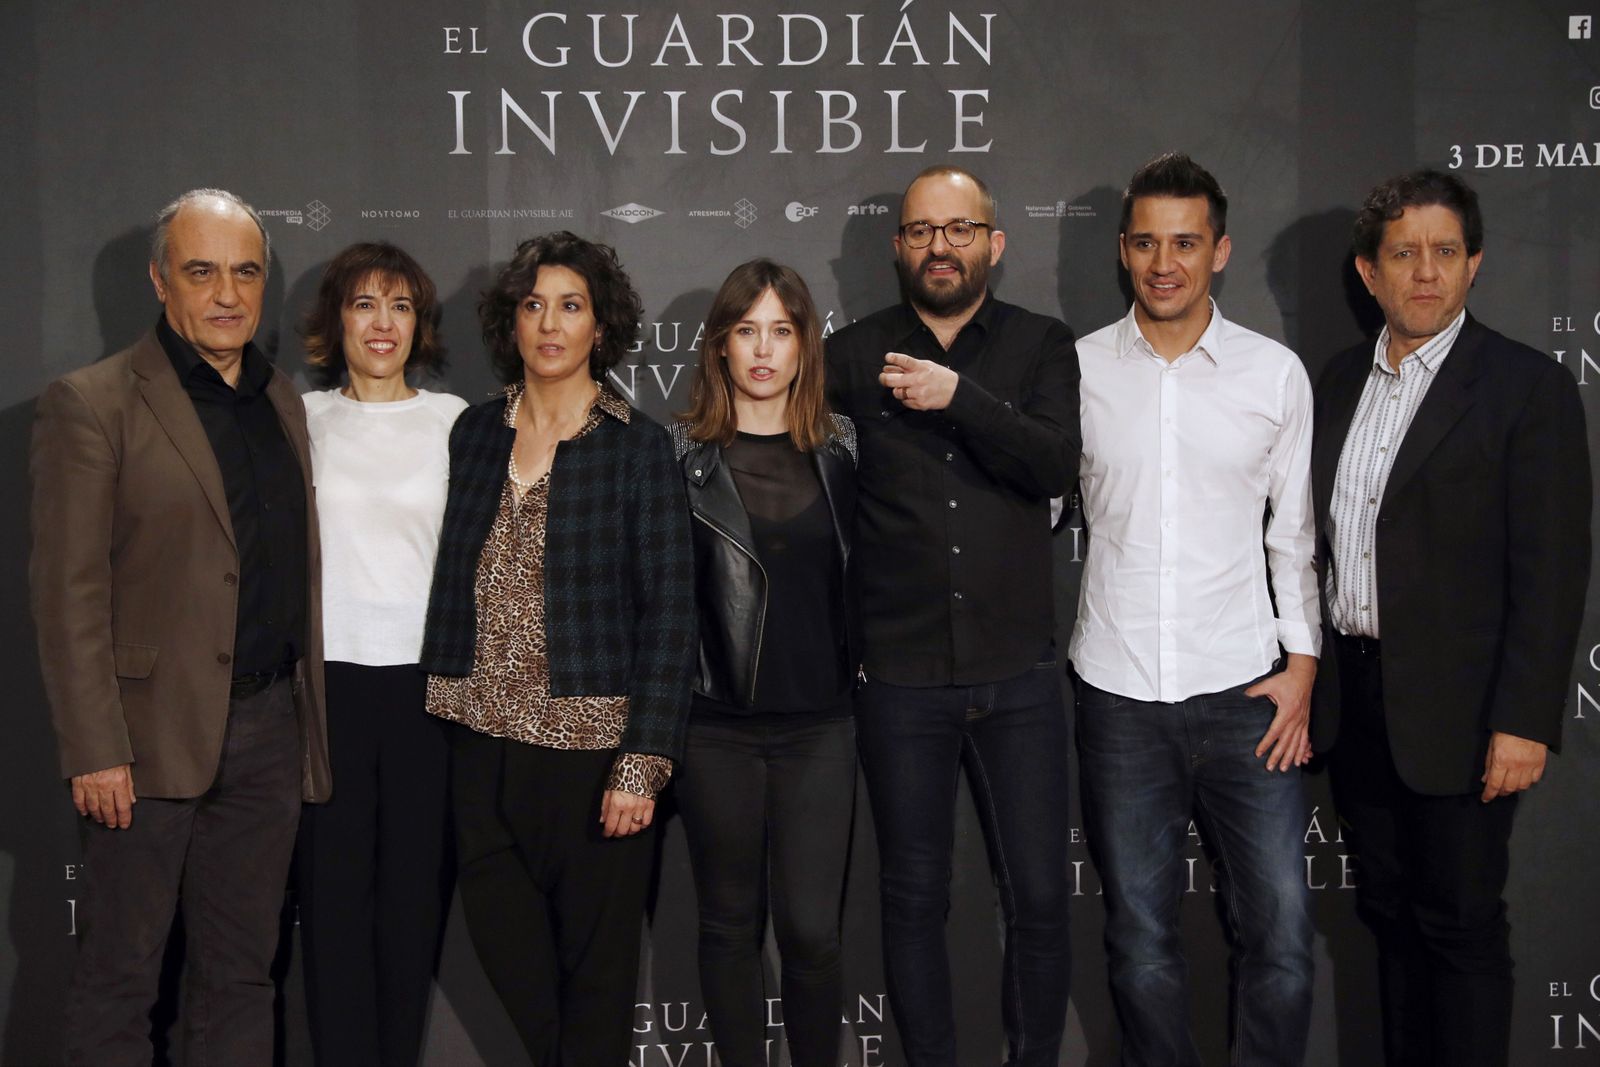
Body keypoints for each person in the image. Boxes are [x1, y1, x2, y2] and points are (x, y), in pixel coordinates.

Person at [30, 188, 330, 1065]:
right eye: (203, 271)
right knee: (122, 976)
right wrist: (94, 744)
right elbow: (67, 591)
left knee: (241, 974)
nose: (227, 293)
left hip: (270, 729)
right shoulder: (91, 403)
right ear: (162, 281)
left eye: (245, 272)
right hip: (143, 737)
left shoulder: (281, 400)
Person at [1312, 170, 1590, 1067]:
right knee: (1389, 918)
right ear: (1369, 270)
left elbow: (1550, 573)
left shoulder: (1525, 388)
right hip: (1355, 702)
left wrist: (1523, 717)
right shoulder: (1336, 380)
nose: (1424, 273)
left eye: (1443, 252)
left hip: (1467, 716)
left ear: (1474, 264)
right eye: (1403, 254)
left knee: (1462, 927)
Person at [825, 165, 1080, 1066]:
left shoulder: (1042, 346)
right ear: (899, 246)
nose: (941, 245)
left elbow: (1054, 466)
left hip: (1019, 674)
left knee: (1043, 896)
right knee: (912, 896)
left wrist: (959, 399)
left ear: (994, 244)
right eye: (923, 230)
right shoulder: (849, 357)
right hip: (899, 679)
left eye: (960, 229)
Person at [420, 230, 695, 1066]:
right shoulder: (472, 434)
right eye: (533, 305)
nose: (549, 323)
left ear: (599, 328)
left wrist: (641, 763)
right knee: (514, 963)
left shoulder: (636, 446)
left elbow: (671, 615)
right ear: (513, 323)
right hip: (477, 742)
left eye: (570, 306)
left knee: (601, 980)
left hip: (591, 755)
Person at [1072, 153, 1319, 1066]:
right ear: (1123, 251)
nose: (1163, 261)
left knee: (1285, 945)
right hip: (1120, 690)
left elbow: (1293, 537)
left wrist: (1303, 669)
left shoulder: (1273, 374)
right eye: (1145, 242)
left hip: (1248, 693)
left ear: (1220, 250)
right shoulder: (1079, 369)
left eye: (1184, 241)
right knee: (1140, 948)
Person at [669, 260, 858, 1067]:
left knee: (813, 930)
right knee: (729, 923)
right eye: (746, 329)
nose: (763, 348)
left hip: (822, 724)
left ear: (805, 345)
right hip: (716, 729)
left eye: (781, 330)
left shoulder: (845, 446)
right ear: (718, 345)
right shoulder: (678, 454)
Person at [293, 242, 466, 1066]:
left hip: (428, 691)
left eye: (399, 305)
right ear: (337, 319)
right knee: (331, 905)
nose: (383, 323)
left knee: (410, 904)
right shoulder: (301, 420)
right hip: (326, 691)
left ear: (419, 322)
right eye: (365, 303)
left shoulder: (457, 421)